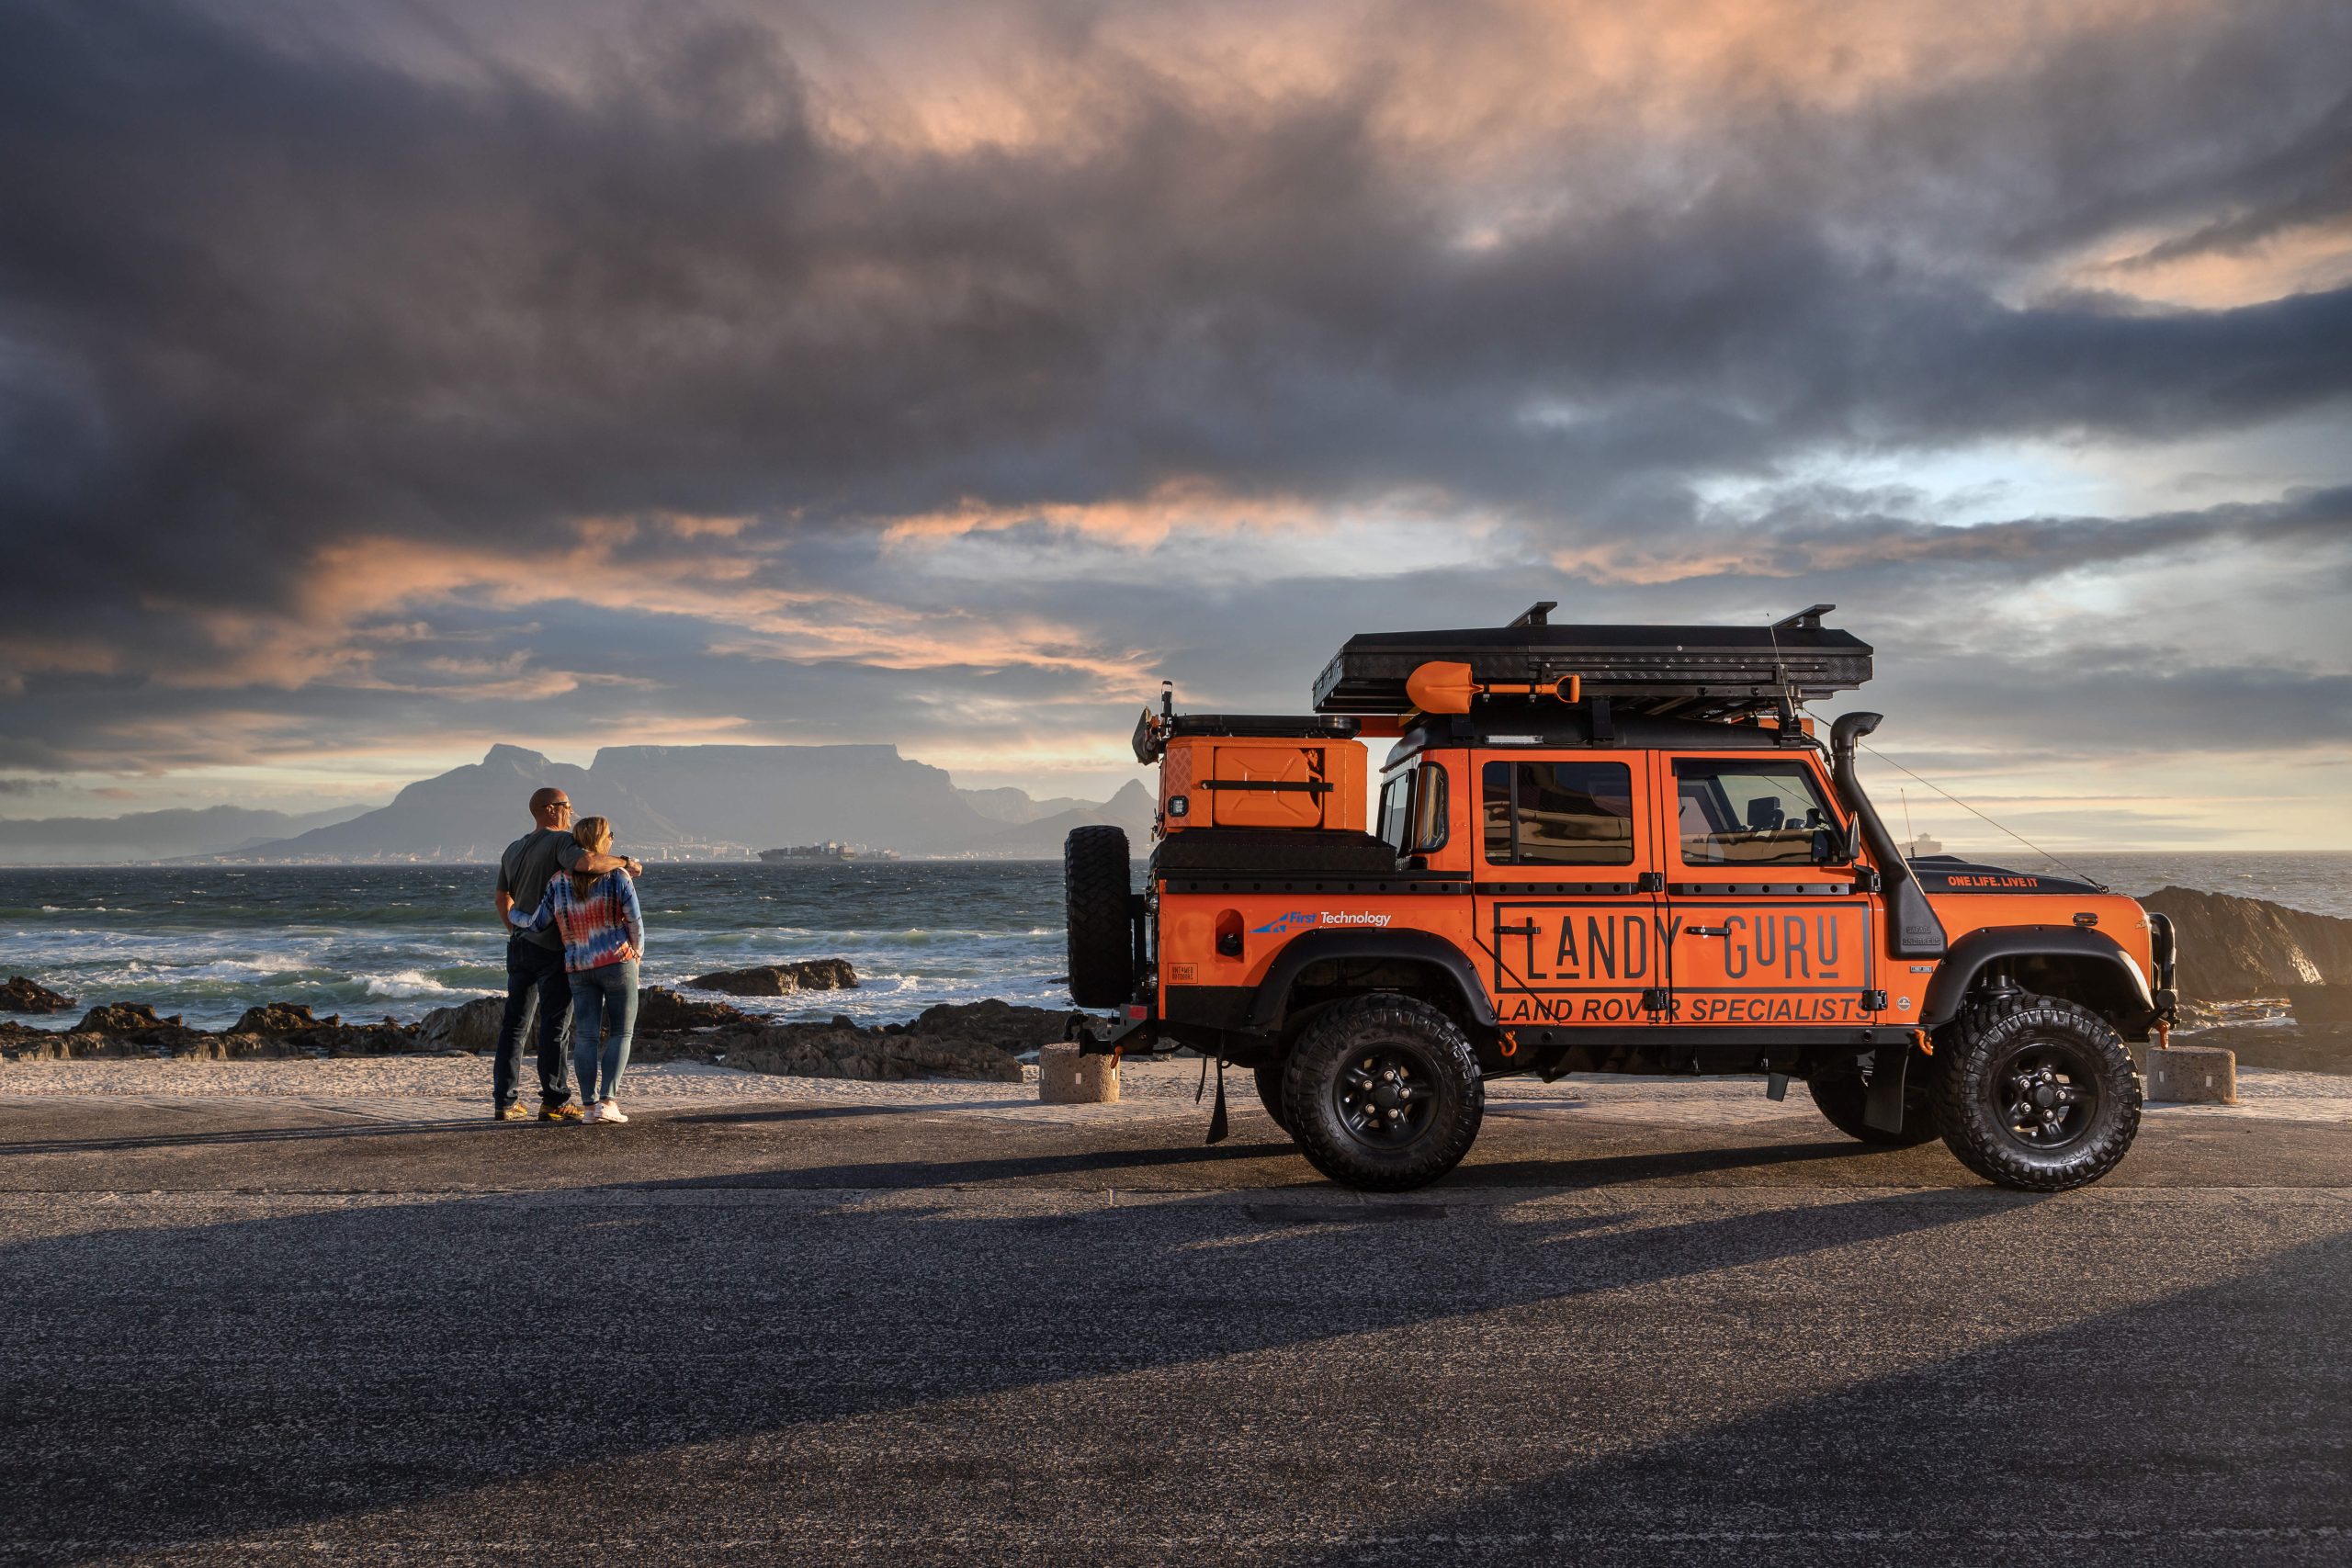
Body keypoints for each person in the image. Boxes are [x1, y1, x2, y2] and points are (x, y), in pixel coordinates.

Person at [492, 787, 640, 1122]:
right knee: (554, 1027)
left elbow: (502, 898)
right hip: (553, 947)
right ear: (549, 809)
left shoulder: (513, 849)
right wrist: (625, 863)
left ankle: (505, 1100)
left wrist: (515, 930)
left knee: (514, 1025)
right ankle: (555, 1100)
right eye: (567, 807)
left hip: (519, 944)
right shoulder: (560, 842)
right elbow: (587, 862)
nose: (571, 813)